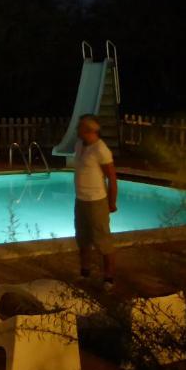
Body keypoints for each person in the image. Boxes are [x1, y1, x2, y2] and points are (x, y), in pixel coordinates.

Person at [73, 114, 119, 288]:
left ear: (89, 130)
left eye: (80, 127)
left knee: (103, 241)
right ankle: (85, 273)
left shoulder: (101, 149)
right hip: (81, 201)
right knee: (83, 239)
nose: (77, 129)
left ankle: (108, 278)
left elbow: (112, 179)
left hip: (96, 201)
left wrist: (111, 203)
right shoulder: (79, 145)